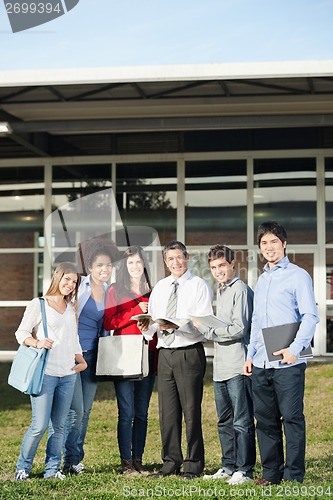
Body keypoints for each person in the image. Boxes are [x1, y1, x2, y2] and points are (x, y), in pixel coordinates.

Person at [244, 221, 319, 485]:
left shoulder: (299, 275)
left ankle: (294, 475)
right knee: (265, 422)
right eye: (264, 243)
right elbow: (257, 321)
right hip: (262, 362)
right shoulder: (262, 279)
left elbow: (310, 316)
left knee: (291, 419)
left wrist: (295, 350)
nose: (269, 247)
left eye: (273, 241)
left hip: (288, 362)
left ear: (284, 244)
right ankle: (271, 473)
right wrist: (251, 353)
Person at [138, 240, 213, 480]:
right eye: (170, 259)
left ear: (187, 257)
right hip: (165, 354)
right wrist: (145, 326)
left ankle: (193, 464)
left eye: (179, 257)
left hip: (189, 352)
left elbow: (203, 323)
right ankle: (170, 462)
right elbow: (153, 321)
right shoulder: (160, 287)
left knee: (191, 410)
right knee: (167, 412)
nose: (175, 263)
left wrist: (177, 326)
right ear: (165, 262)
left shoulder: (198, 285)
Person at [14, 262, 87, 481]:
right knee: (39, 425)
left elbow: (73, 340)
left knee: (60, 426)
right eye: (67, 279)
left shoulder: (71, 308)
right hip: (45, 373)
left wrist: (81, 361)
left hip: (68, 374)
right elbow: (21, 333)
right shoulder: (39, 304)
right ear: (57, 276)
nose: (70, 284)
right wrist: (36, 342)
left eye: (74, 282)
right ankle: (23, 467)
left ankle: (52, 469)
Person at [193, 245, 256, 485]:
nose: (218, 271)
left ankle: (245, 470)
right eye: (213, 267)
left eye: (222, 265)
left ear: (232, 264)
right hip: (220, 367)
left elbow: (240, 328)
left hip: (238, 366)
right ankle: (228, 466)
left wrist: (209, 331)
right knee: (224, 421)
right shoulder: (221, 290)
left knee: (242, 420)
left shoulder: (240, 289)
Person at [63, 238, 120, 474]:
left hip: (95, 356)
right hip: (72, 355)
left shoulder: (110, 291)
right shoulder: (78, 287)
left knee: (85, 410)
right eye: (99, 266)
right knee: (73, 410)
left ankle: (75, 459)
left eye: (107, 265)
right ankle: (64, 459)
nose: (104, 270)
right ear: (90, 267)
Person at [104, 245, 157, 475]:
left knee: (142, 412)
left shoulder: (154, 290)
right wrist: (135, 311)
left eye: (138, 262)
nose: (135, 266)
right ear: (125, 267)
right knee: (126, 412)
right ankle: (126, 461)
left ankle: (138, 459)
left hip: (149, 355)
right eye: (130, 263)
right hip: (125, 355)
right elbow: (109, 322)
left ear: (144, 264)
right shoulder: (116, 290)